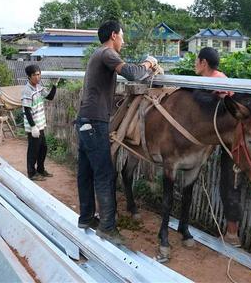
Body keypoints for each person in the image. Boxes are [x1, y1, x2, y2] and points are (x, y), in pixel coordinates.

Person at [76, 20, 158, 244]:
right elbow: (133, 73)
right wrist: (149, 63)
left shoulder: (98, 54)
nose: (123, 40)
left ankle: (85, 218)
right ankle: (107, 227)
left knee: (86, 172)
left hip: (84, 121)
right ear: (113, 35)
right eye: (122, 35)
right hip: (94, 123)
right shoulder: (107, 53)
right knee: (104, 174)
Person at [195, 47, 242, 247]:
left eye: (196, 61)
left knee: (230, 183)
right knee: (228, 183)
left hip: (233, 138)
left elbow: (212, 107)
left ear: (203, 63)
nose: (194, 65)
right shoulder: (215, 78)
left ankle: (232, 235)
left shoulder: (217, 81)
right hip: (226, 136)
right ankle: (231, 233)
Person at [21, 64, 57, 181]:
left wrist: (54, 85)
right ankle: (31, 173)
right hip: (34, 126)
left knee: (43, 148)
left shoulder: (38, 87)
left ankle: (40, 169)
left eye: (38, 74)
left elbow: (50, 97)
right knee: (33, 150)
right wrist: (33, 127)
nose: (37, 77)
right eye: (34, 75)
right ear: (29, 77)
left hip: (40, 124)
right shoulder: (27, 90)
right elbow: (26, 110)